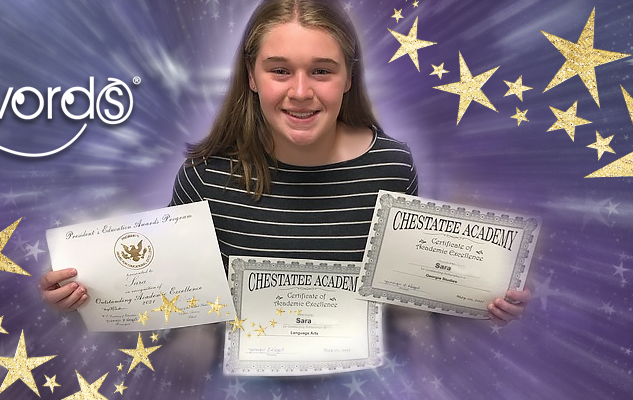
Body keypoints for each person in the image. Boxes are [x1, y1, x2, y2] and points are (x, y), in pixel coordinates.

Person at [40, 0, 529, 327]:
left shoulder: (392, 166)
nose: (300, 92)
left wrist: (477, 297)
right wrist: (88, 293)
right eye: (279, 71)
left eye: (321, 70)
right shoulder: (206, 175)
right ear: (252, 78)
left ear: (347, 79)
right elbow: (166, 292)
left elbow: (403, 290)